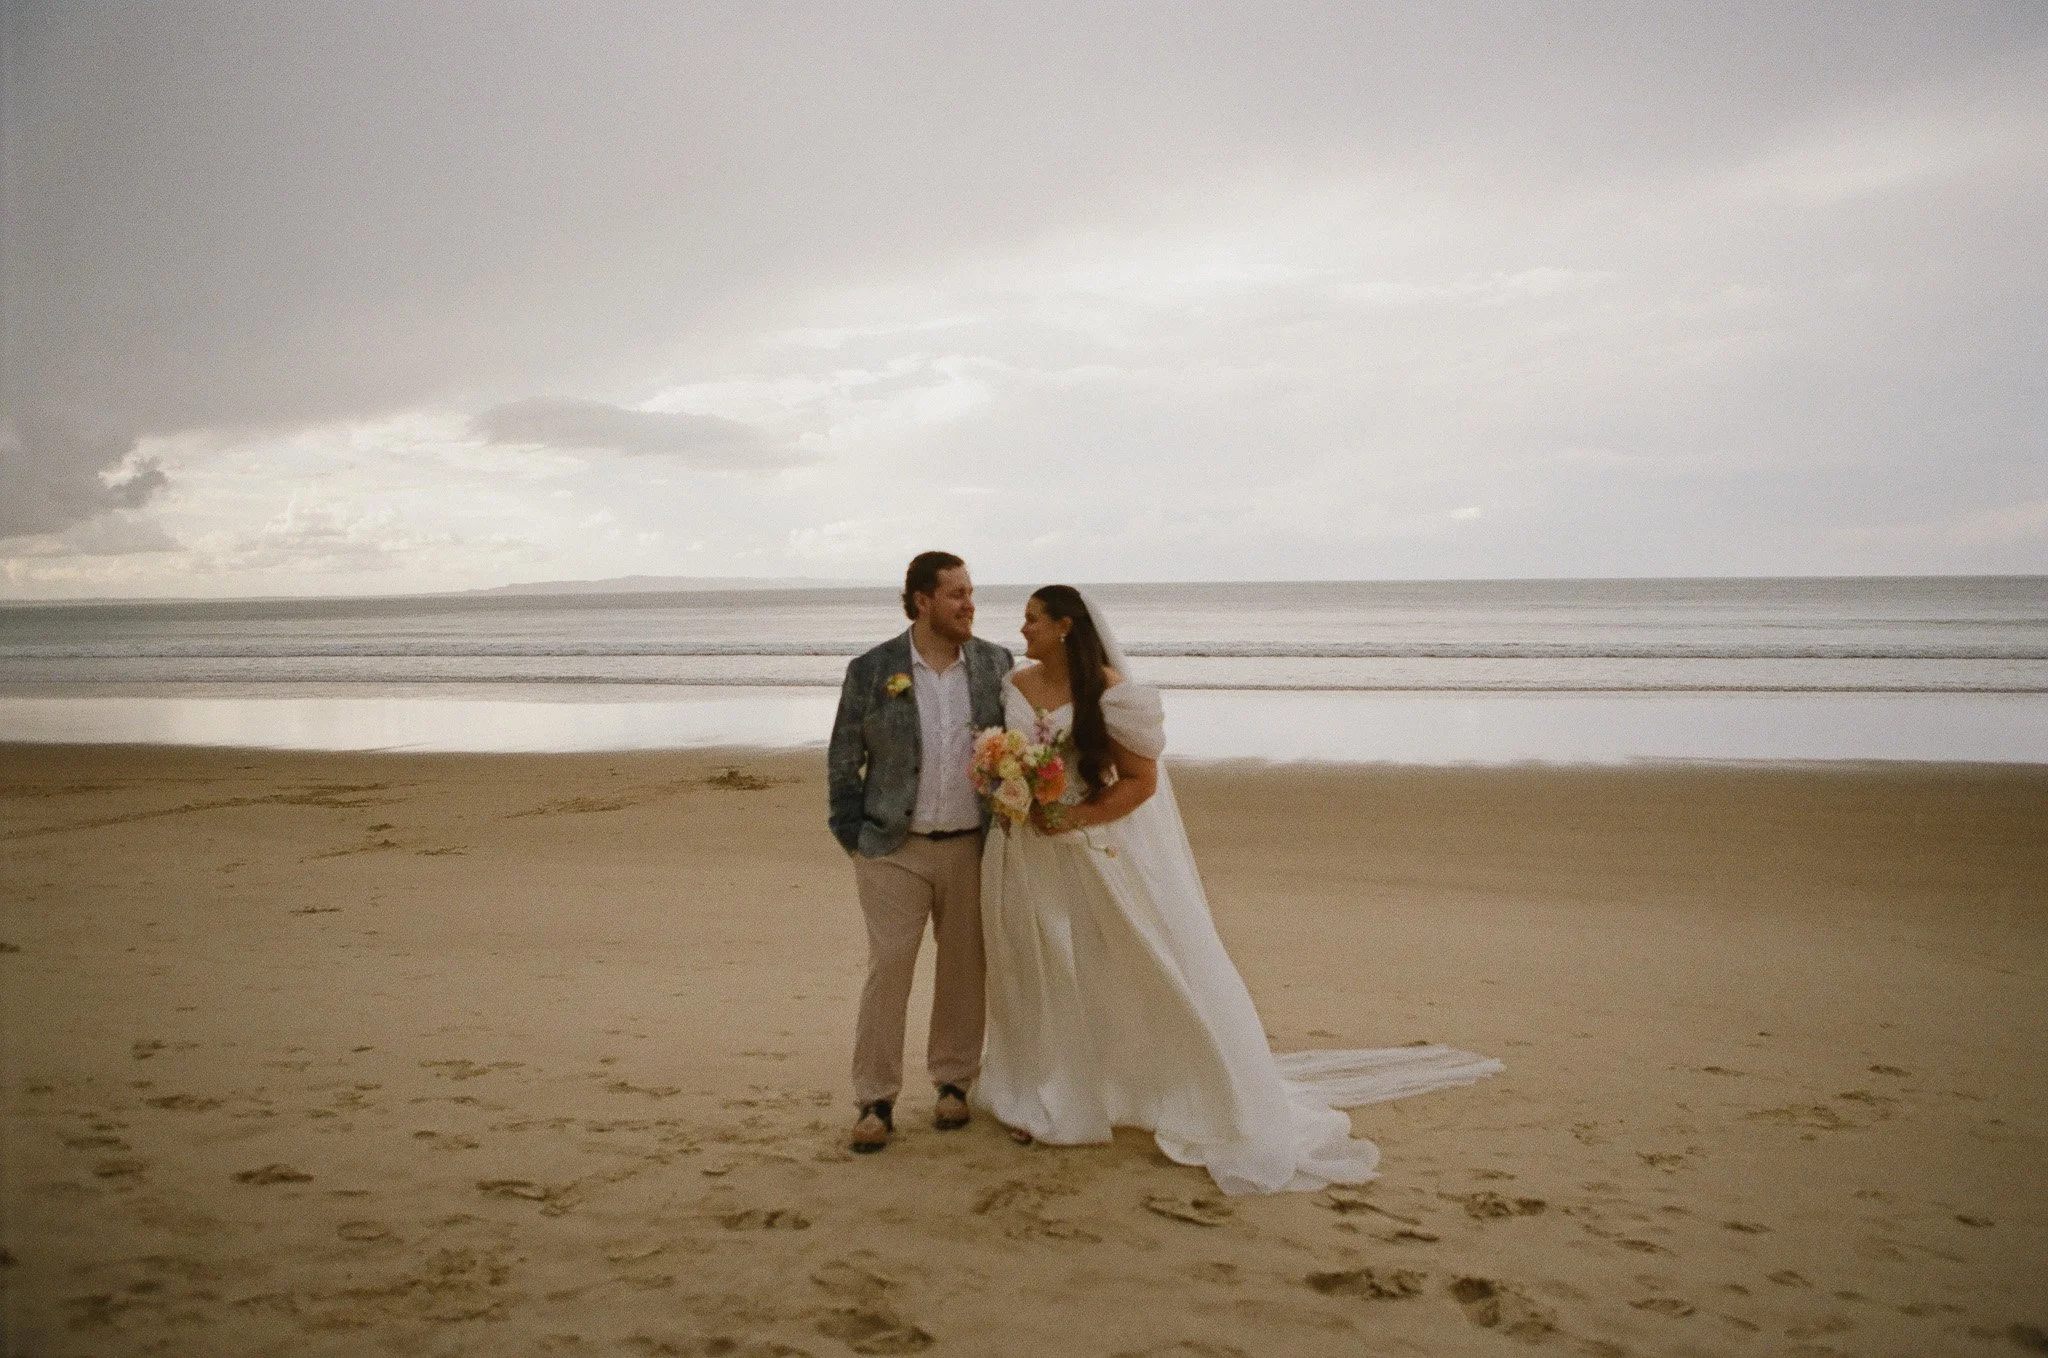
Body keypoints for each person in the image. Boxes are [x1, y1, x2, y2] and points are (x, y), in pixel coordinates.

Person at [976, 585, 1501, 1194]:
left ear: (1065, 627)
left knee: (1107, 967)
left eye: (1033, 619)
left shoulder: (1115, 693)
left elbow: (1140, 782)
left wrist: (1073, 816)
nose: (1023, 630)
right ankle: (1040, 1088)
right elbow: (1007, 753)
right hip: (1021, 851)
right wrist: (1005, 782)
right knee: (1033, 967)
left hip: (1085, 851)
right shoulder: (1014, 687)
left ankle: (1130, 1088)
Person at [828, 552, 1014, 1153]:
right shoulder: (871, 669)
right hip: (892, 850)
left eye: (970, 592)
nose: (969, 604)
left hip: (970, 847)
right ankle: (875, 1098)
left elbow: (1016, 744)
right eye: (956, 593)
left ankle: (953, 1084)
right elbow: (842, 760)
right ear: (922, 600)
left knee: (964, 971)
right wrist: (855, 838)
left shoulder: (994, 663)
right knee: (890, 972)